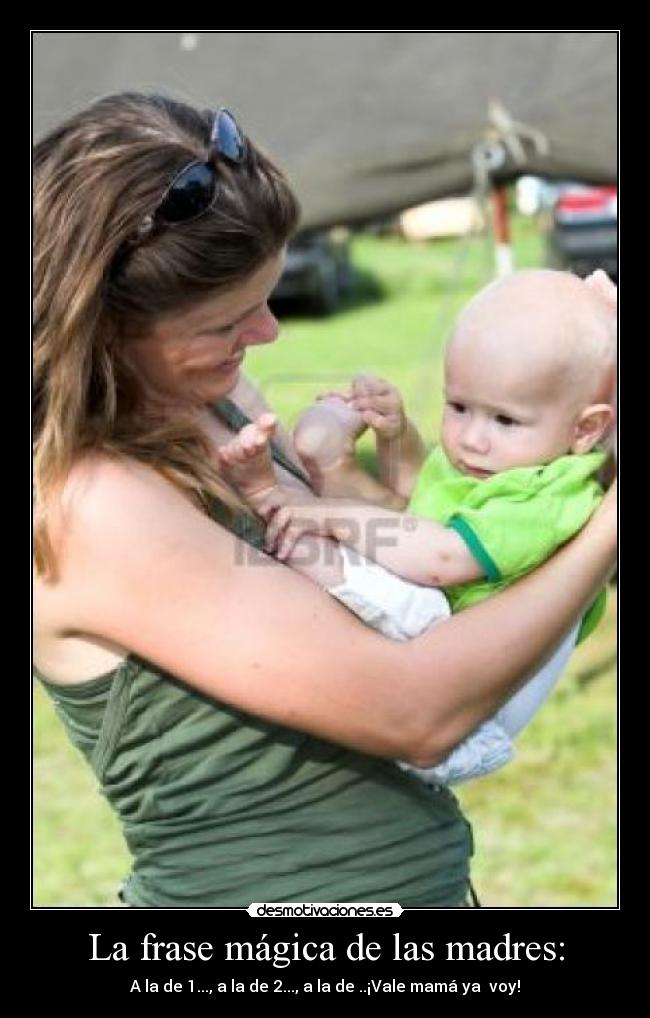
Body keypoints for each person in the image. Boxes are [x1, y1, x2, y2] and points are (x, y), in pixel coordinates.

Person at [33, 91, 617, 908]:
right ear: (100, 328)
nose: (269, 333)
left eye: (267, 297)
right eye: (227, 321)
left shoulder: (218, 406)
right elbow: (417, 711)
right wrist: (604, 529)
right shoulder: (93, 504)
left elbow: (399, 575)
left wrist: (359, 470)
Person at [216, 269, 617, 786]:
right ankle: (325, 471)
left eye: (505, 420)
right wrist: (397, 436)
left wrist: (333, 516)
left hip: (470, 703)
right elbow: (419, 505)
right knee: (378, 533)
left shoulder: (549, 494)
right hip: (441, 638)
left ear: (586, 429)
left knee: (347, 551)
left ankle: (279, 499)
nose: (472, 438)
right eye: (458, 407)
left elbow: (442, 559)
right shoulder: (510, 460)